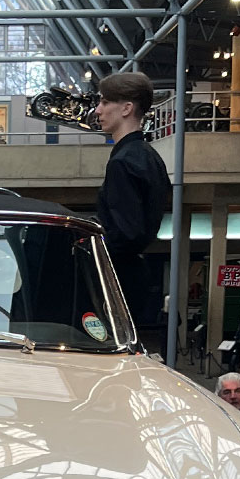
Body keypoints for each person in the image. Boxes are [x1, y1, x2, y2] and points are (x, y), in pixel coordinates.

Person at [93, 71, 170, 318]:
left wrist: (92, 245)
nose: (98, 110)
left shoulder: (122, 162)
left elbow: (125, 233)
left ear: (126, 108)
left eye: (105, 102)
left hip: (118, 276)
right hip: (135, 274)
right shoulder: (150, 156)